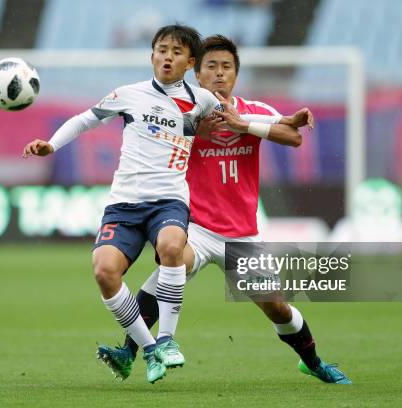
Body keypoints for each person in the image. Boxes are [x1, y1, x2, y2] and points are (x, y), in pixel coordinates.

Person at [23, 26, 278, 384]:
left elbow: (238, 121)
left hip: (169, 200)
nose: (167, 56)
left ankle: (167, 339)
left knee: (172, 247)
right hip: (124, 204)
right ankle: (147, 348)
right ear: (152, 56)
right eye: (161, 50)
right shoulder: (128, 95)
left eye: (176, 52)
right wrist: (51, 144)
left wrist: (282, 124)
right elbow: (85, 119)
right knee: (104, 272)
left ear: (190, 62)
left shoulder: (202, 100)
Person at [97, 35, 352, 385]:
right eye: (211, 67)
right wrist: (199, 128)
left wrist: (242, 125)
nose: (219, 73)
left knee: (276, 306)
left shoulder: (254, 111)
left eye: (226, 67)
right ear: (197, 75)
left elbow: (293, 137)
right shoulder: (179, 112)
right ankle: (130, 350)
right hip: (197, 227)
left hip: (243, 234)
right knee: (169, 269)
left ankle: (313, 361)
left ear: (236, 74)